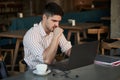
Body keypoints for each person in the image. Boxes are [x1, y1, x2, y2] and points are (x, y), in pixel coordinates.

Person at [23, 2, 72, 69]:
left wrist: (81, 56)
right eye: (54, 21)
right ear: (44, 17)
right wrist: (55, 37)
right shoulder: (31, 35)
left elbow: (68, 49)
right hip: (35, 72)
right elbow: (47, 60)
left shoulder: (54, 29)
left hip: (52, 69)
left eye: (58, 21)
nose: (57, 25)